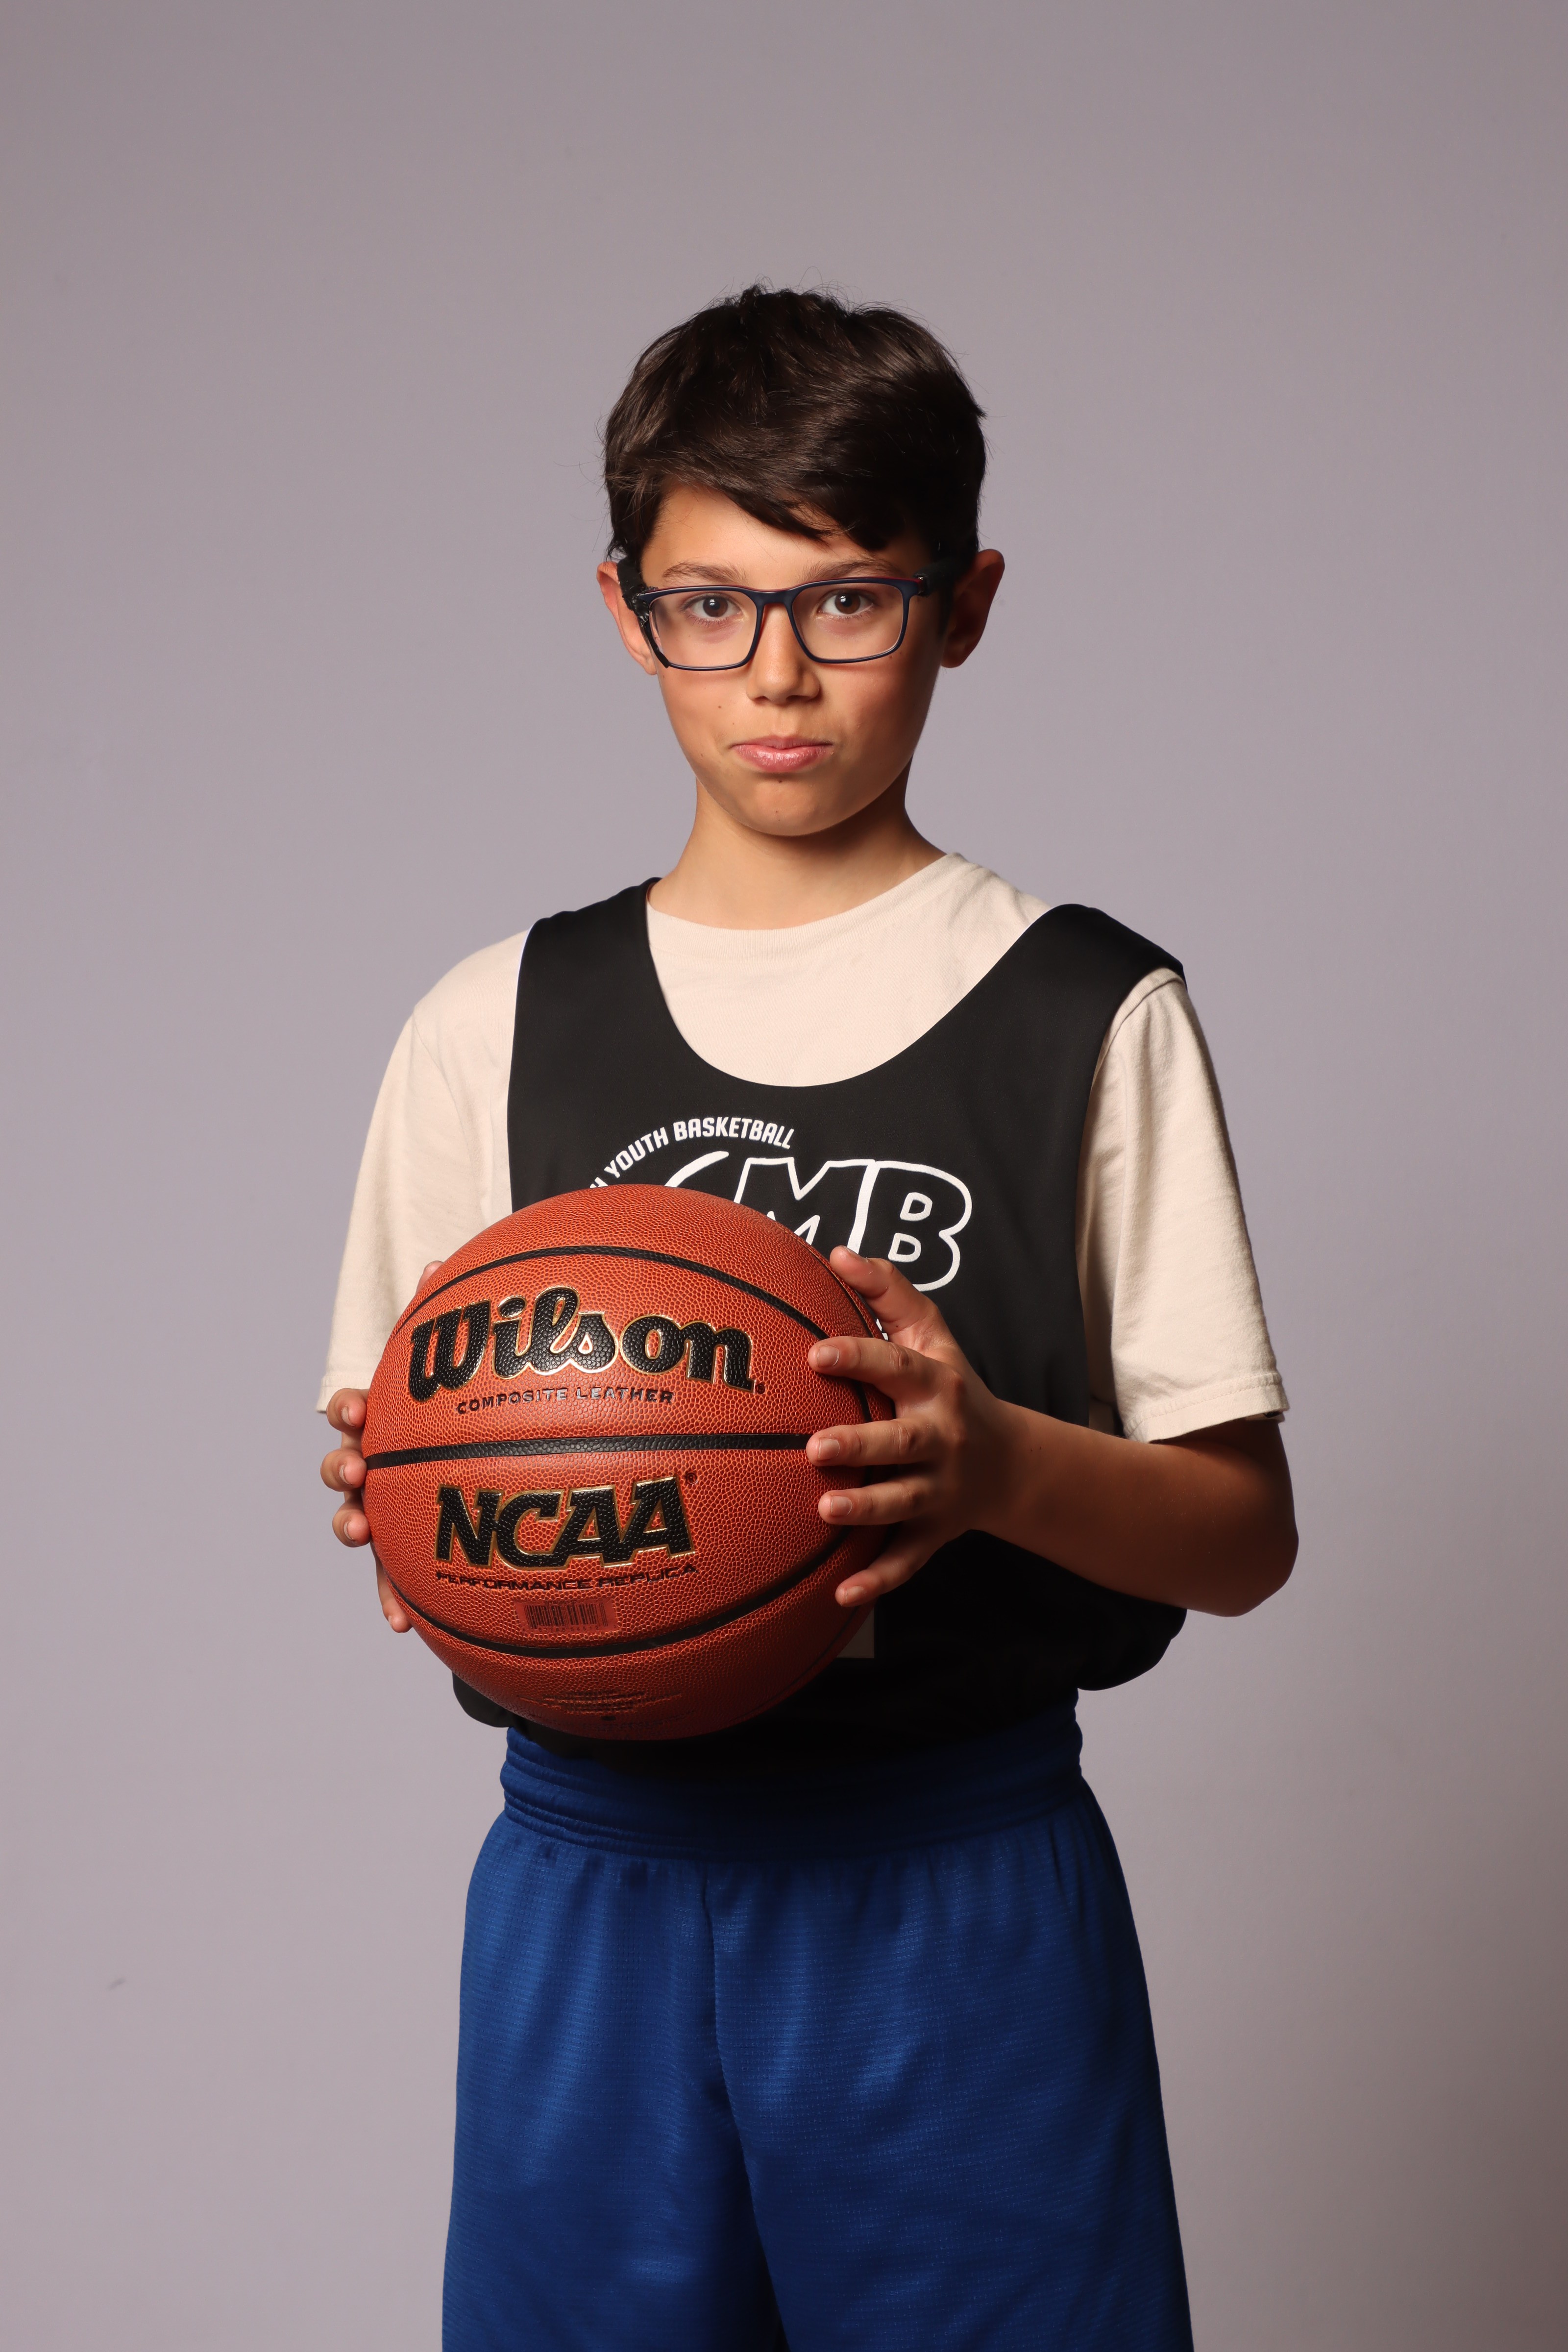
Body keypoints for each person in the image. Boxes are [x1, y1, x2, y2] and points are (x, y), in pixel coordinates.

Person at [319, 286, 1295, 2352]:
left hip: (951, 1874)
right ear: (625, 612)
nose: (777, 673)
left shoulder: (1083, 1008)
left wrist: (992, 1463)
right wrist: (414, 1502)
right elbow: (410, 1477)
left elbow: (1240, 1535)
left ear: (963, 606)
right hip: (594, 1876)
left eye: (849, 599)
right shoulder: (492, 1024)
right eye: (711, 605)